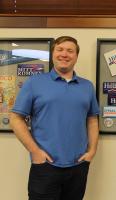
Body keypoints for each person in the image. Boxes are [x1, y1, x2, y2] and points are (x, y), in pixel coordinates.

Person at [10, 36, 100, 200]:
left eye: (70, 51)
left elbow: (92, 119)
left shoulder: (87, 86)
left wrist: (92, 151)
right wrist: (35, 152)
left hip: (78, 165)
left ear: (76, 56)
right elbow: (16, 118)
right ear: (53, 54)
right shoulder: (34, 83)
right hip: (45, 165)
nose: (64, 54)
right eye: (60, 50)